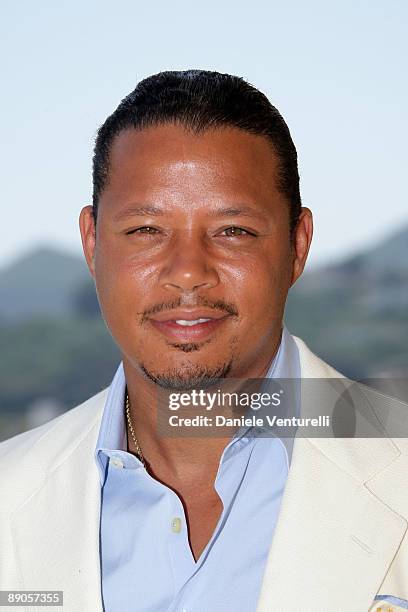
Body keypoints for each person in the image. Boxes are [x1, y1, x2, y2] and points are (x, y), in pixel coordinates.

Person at [1, 70, 407, 612]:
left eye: (232, 231)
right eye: (146, 230)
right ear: (93, 242)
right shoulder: (10, 491)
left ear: (297, 246)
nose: (188, 272)